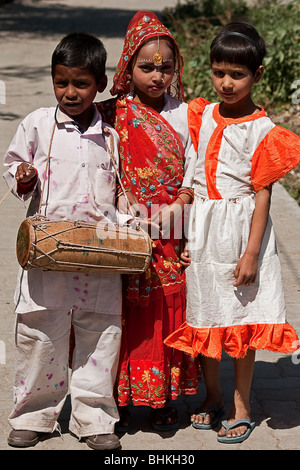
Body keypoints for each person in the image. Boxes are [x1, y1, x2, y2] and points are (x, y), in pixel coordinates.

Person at [165, 21, 300, 443]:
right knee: (206, 317)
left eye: (237, 74)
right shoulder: (201, 114)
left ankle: (242, 405)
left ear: (257, 74)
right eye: (219, 72)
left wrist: (251, 254)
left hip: (242, 234)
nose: (226, 82)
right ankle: (213, 397)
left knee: (242, 321)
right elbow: (192, 177)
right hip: (204, 231)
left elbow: (262, 197)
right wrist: (186, 240)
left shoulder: (263, 131)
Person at [3, 32, 130, 450]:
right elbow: (14, 164)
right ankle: (34, 415)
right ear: (52, 79)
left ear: (101, 83)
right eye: (62, 82)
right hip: (47, 253)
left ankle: (93, 418)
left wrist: (133, 230)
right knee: (40, 333)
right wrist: (23, 176)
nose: (70, 92)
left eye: (81, 84)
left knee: (100, 333)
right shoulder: (37, 124)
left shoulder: (110, 138)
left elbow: (122, 196)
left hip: (98, 255)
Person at [98, 11, 200, 432]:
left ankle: (162, 398)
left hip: (173, 232)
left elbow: (193, 170)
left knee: (165, 314)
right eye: (146, 67)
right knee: (123, 315)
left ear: (176, 70)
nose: (157, 76)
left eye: (166, 67)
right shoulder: (111, 114)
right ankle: (119, 397)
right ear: (127, 66)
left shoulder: (186, 115)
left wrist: (181, 202)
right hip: (125, 231)